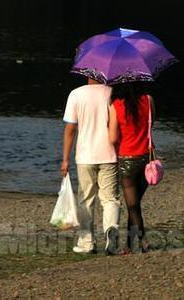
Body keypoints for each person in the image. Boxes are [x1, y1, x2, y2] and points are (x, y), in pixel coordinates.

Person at [61, 77, 120, 255]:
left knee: (86, 199)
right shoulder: (113, 93)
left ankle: (87, 243)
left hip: (85, 155)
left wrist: (65, 159)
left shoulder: (76, 94)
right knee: (110, 198)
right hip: (109, 154)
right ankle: (111, 231)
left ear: (87, 73)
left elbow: (71, 129)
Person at [108, 81, 155, 254]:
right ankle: (129, 245)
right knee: (134, 205)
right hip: (147, 158)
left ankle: (143, 241)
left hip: (127, 158)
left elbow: (113, 138)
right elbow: (151, 124)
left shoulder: (116, 105)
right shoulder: (149, 100)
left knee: (132, 205)